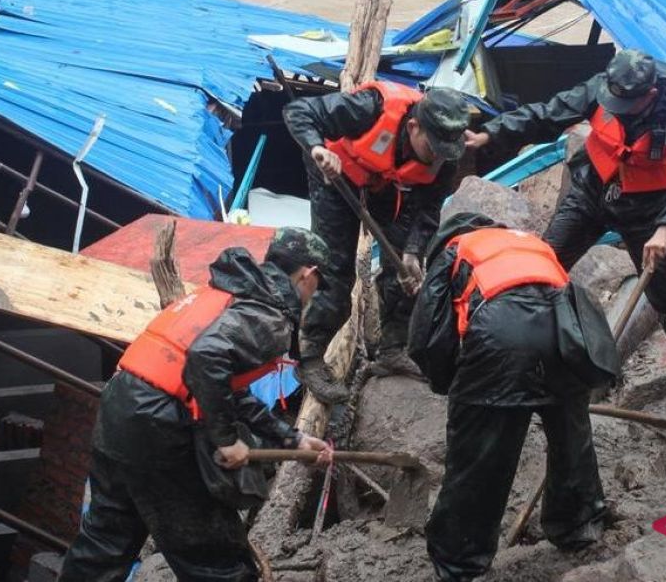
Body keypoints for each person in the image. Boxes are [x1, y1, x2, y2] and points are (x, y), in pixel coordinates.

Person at [58, 231, 333, 582]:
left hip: (121, 405)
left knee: (105, 544)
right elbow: (206, 358)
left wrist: (292, 439)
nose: (313, 296)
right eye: (317, 286)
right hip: (158, 424)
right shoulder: (269, 315)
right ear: (307, 274)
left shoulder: (228, 293)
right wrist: (225, 439)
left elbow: (224, 388)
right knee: (216, 562)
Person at [465, 50, 666, 380]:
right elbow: (549, 113)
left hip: (651, 211)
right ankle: (524, 358)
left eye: (627, 107)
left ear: (650, 95)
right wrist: (493, 132)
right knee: (543, 266)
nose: (616, 111)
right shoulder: (604, 87)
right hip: (593, 192)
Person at [409, 212, 610, 581]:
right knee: (572, 438)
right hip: (567, 337)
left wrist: (451, 385)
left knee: (481, 456)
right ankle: (578, 524)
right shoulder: (533, 243)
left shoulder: (456, 250)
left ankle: (460, 561)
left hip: (500, 339)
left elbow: (426, 334)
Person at [282, 82, 470, 402]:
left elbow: (428, 209)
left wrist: (413, 251)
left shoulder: (446, 154)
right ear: (413, 127)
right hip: (335, 175)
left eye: (444, 152)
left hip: (384, 184)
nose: (437, 157)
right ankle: (309, 358)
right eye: (432, 148)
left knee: (406, 270)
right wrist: (317, 148)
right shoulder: (369, 108)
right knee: (337, 271)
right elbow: (299, 111)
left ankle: (393, 348)